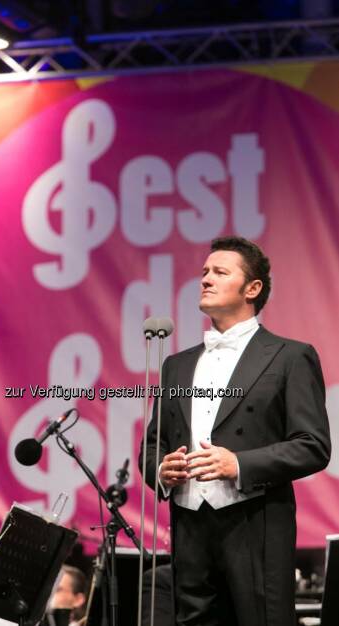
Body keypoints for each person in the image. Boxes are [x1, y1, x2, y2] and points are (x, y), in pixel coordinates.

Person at [140, 236, 331, 626]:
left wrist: (238, 463)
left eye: (220, 272)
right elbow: (153, 445)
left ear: (253, 288)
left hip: (255, 525)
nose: (206, 279)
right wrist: (161, 471)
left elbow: (313, 446)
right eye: (205, 272)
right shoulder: (175, 365)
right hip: (190, 527)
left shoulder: (290, 356)